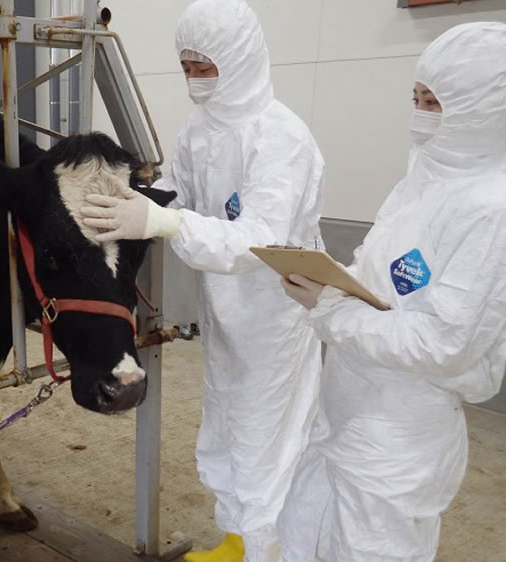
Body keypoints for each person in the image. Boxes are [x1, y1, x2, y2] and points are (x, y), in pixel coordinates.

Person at [276, 22, 506, 561]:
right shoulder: (423, 180)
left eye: (436, 102)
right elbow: (381, 277)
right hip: (348, 411)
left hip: (400, 438)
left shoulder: (496, 210)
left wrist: (331, 310)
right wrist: (332, 278)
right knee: (305, 535)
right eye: (417, 98)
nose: (420, 114)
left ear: (484, 111)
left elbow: (443, 344)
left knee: (371, 548)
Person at [80, 1, 325, 560]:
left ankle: (268, 551)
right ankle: (238, 541)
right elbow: (178, 188)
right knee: (227, 430)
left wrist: (163, 221)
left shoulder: (281, 138)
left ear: (239, 60)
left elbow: (261, 239)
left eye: (205, 67)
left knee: (268, 441)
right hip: (227, 312)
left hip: (275, 314)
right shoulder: (202, 128)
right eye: (187, 68)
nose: (194, 80)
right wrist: (134, 198)